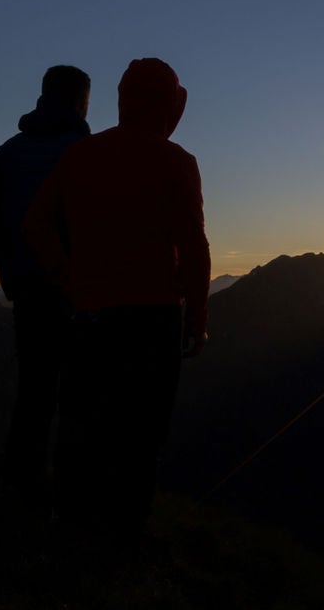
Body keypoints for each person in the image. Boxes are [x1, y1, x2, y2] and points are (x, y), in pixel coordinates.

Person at [24, 57, 209, 554]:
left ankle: (70, 520)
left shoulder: (83, 156)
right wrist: (198, 318)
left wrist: (69, 277)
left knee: (83, 417)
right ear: (170, 105)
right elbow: (193, 247)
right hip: (155, 317)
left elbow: (36, 226)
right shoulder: (177, 162)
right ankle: (127, 529)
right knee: (142, 428)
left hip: (90, 313)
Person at [0, 64, 91, 489]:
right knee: (80, 392)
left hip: (26, 285)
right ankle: (70, 488)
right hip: (79, 288)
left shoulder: (8, 153)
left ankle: (20, 481)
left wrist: (9, 276)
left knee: (34, 389)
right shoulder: (87, 153)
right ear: (81, 101)